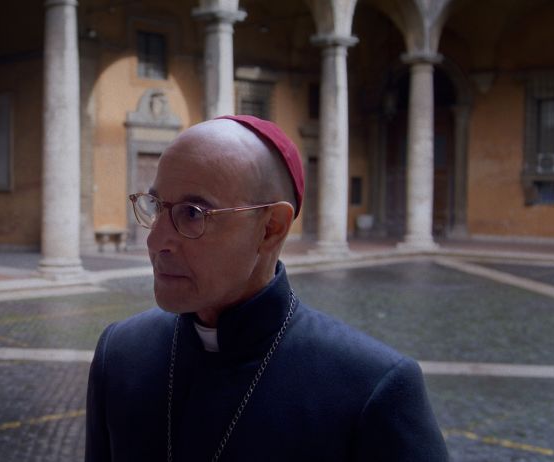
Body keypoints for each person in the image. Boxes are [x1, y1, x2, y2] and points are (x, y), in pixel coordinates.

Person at [85, 115, 448, 461]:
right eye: (155, 206)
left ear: (271, 227)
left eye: (193, 213)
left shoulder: (374, 389)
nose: (156, 240)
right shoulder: (119, 354)